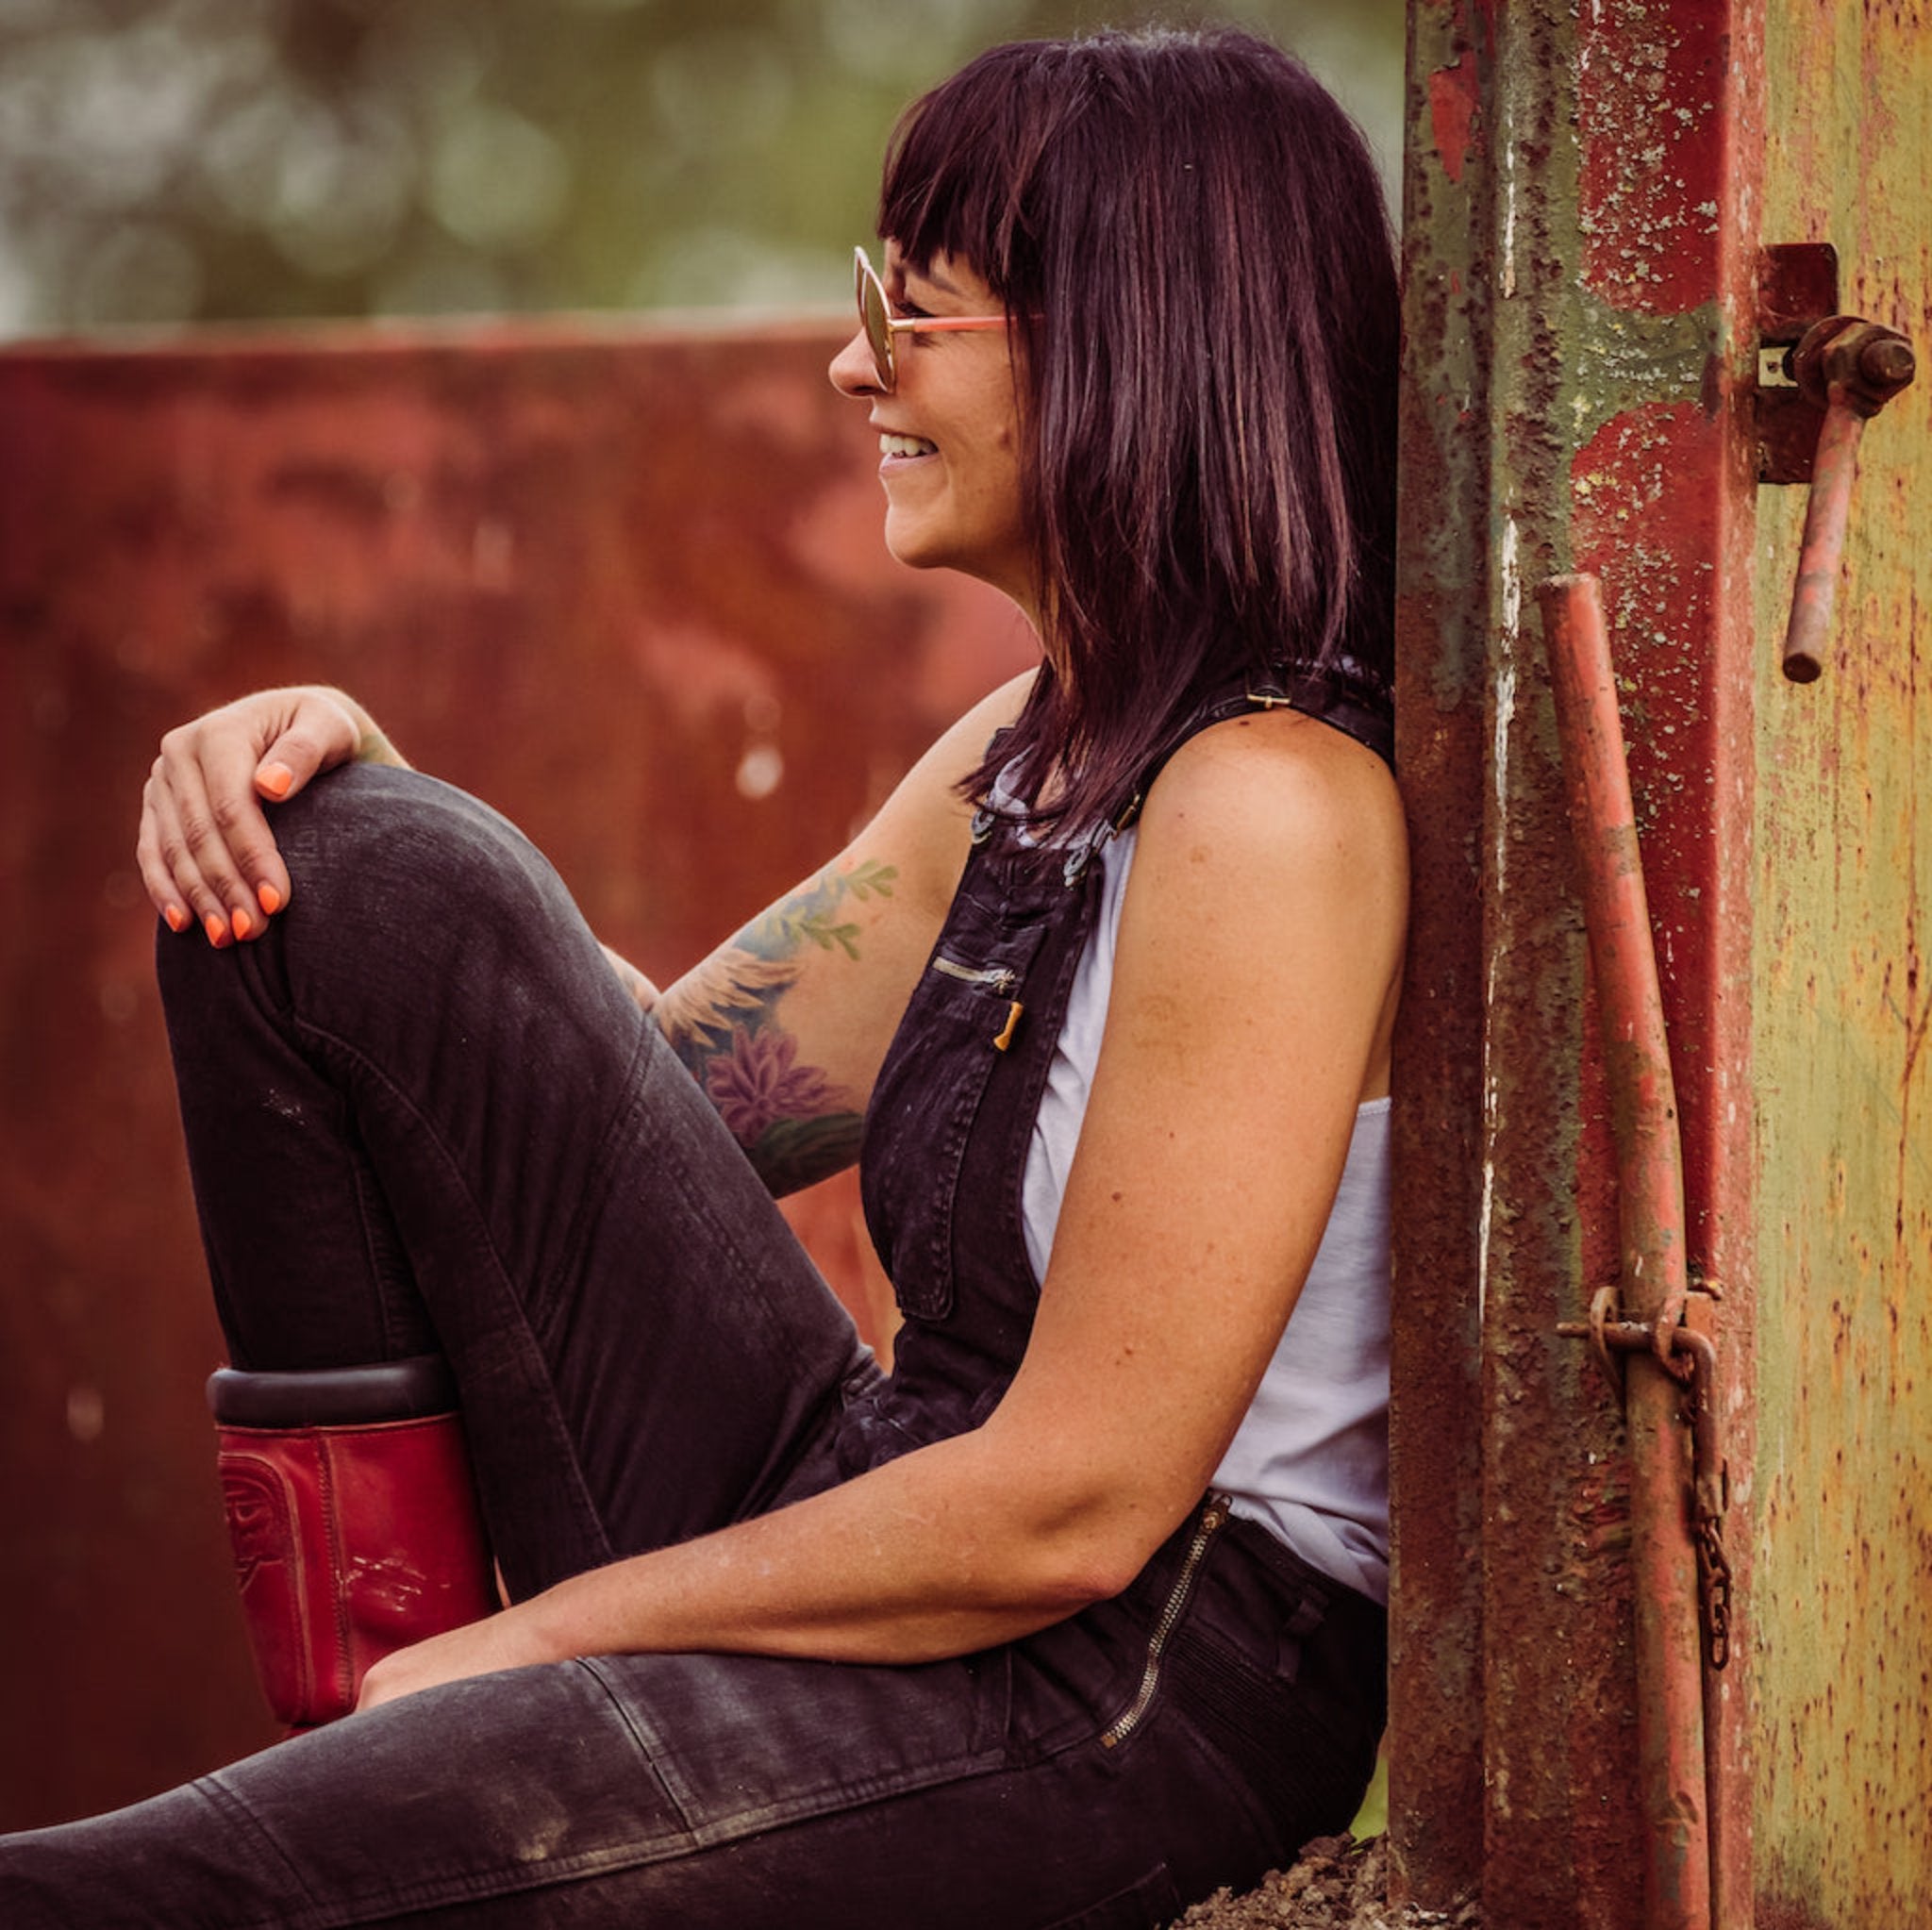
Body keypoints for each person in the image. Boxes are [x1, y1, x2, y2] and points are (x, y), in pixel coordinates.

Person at [0, 25, 1404, 1928]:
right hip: (892, 1497)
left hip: (1121, 1685)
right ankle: (359, 1706)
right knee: (345, 881)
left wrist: (545, 1647)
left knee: (110, 1897)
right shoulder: (1043, 746)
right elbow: (646, 1116)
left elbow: (1074, 1509)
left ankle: (391, 1765)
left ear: (1121, 337)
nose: (851, 367)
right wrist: (378, 807)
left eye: (907, 316)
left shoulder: (1272, 808)